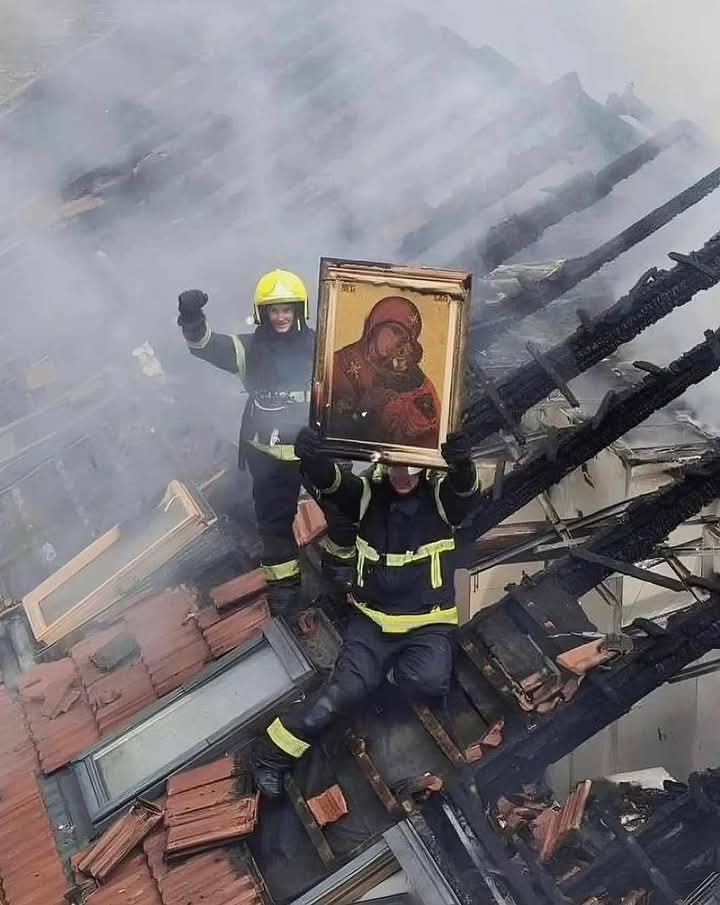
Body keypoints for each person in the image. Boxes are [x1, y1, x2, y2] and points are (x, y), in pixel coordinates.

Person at [252, 426, 481, 798]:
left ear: (424, 465)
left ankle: (379, 681)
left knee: (428, 683)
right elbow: (334, 484)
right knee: (342, 693)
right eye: (394, 466)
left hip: (429, 622)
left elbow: (464, 497)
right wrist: (312, 456)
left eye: (410, 467)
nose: (402, 475)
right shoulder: (365, 493)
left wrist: (463, 467)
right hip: (371, 622)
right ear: (381, 463)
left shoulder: (440, 496)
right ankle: (273, 754)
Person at [177, 270, 315, 616]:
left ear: (300, 310)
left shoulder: (320, 343)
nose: (281, 317)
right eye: (274, 310)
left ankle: (343, 570)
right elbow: (204, 345)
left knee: (343, 510)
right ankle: (285, 590)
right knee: (273, 525)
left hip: (314, 449)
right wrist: (192, 318)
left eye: (287, 309)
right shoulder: (247, 347)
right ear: (262, 312)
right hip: (267, 455)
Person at [329, 296, 441, 448]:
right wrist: (363, 410)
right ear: (375, 326)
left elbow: (433, 430)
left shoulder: (413, 377)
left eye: (405, 339)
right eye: (395, 331)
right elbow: (329, 430)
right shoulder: (340, 363)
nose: (398, 343)